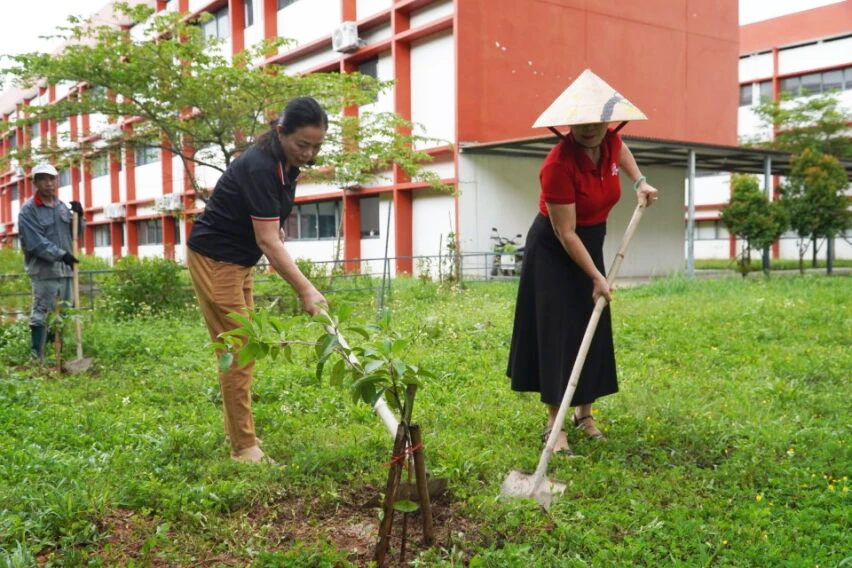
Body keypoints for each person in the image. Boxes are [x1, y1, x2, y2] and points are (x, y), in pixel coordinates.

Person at [507, 70, 658, 455]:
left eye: (598, 120)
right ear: (569, 122)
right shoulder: (558, 165)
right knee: (559, 331)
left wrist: (640, 181)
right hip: (555, 250)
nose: (590, 128)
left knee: (593, 325)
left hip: (592, 239)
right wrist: (596, 276)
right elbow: (565, 232)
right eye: (582, 121)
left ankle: (584, 414)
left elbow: (621, 151)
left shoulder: (609, 142)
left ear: (609, 121)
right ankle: (554, 425)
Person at [187, 96, 329, 463]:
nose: (309, 154)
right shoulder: (260, 166)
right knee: (240, 352)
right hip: (217, 260)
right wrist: (306, 289)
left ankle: (239, 432)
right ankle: (243, 447)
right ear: (281, 131)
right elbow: (267, 240)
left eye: (316, 146)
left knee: (240, 345)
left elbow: (269, 228)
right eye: (303, 144)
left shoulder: (285, 164)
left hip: (238, 260)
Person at [18, 163, 83, 362]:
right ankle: (38, 357)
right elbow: (34, 242)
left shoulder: (61, 207)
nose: (49, 183)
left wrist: (79, 217)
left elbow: (76, 234)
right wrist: (60, 254)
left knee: (63, 312)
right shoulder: (29, 210)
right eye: (44, 179)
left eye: (52, 179)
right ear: (35, 182)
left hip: (65, 271)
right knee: (41, 312)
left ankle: (57, 353)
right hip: (44, 271)